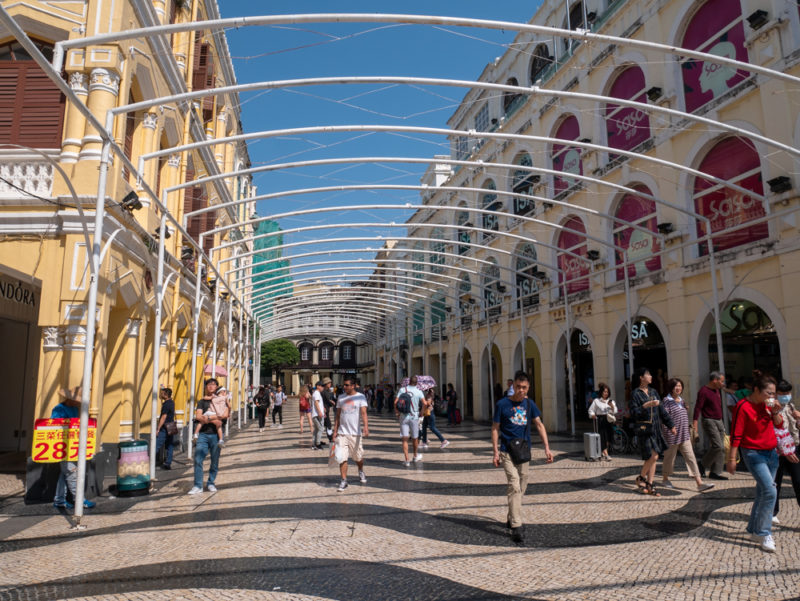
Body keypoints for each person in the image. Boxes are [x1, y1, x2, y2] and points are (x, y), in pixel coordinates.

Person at [492, 371, 553, 543]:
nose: (521, 390)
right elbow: (495, 428)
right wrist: (495, 451)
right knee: (514, 484)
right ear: (513, 386)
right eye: (518, 387)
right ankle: (517, 526)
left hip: (524, 451)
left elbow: (539, 425)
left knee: (522, 485)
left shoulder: (529, 404)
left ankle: (512, 514)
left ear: (528, 388)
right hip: (506, 450)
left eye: (524, 388)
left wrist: (547, 448)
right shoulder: (502, 404)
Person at [727, 371, 786, 552]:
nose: (771, 396)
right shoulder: (743, 406)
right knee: (770, 491)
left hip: (771, 453)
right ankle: (764, 532)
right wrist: (732, 458)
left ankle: (753, 530)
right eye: (768, 392)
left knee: (762, 493)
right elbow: (736, 433)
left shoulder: (768, 406)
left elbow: (779, 425)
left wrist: (776, 412)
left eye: (773, 393)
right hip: (753, 453)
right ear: (756, 390)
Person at [660, 378, 714, 493]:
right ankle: (665, 479)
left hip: (684, 435)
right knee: (669, 459)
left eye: (680, 386)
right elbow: (664, 418)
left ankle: (699, 483)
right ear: (671, 388)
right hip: (672, 435)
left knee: (691, 458)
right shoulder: (666, 401)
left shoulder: (682, 400)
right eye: (676, 386)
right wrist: (668, 432)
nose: (678, 388)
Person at [630, 367, 675, 497]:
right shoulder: (635, 393)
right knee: (653, 456)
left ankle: (649, 484)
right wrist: (645, 406)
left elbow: (661, 410)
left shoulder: (653, 391)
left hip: (656, 429)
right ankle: (641, 478)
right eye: (648, 374)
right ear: (641, 377)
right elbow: (633, 413)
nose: (650, 376)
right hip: (644, 430)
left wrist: (671, 424)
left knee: (654, 458)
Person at [51, 385, 96, 510]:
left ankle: (59, 499)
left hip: (73, 446)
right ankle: (79, 500)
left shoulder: (75, 409)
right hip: (62, 445)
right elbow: (54, 426)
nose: (77, 403)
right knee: (71, 472)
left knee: (65, 473)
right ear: (70, 399)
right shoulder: (59, 409)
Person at [188, 378, 227, 495]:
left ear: (217, 387)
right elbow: (199, 416)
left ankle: (211, 483)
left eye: (213, 385)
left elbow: (224, 415)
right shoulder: (202, 402)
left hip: (216, 434)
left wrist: (209, 419)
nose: (211, 386)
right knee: (198, 459)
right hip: (203, 434)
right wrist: (213, 420)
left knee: (214, 461)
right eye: (209, 384)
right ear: (206, 387)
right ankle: (198, 485)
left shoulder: (221, 400)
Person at [333, 377, 370, 491]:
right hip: (342, 433)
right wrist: (335, 431)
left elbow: (363, 413)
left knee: (358, 457)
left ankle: (360, 470)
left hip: (355, 433)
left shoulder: (360, 397)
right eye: (344, 385)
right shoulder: (341, 397)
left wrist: (366, 427)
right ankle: (344, 480)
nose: (344, 387)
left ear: (353, 386)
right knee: (342, 457)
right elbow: (338, 415)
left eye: (347, 385)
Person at [773, 379, 800, 522]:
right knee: (775, 481)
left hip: (794, 447)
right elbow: (776, 428)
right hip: (778, 451)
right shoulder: (771, 407)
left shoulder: (790, 406)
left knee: (798, 480)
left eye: (788, 392)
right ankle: (772, 512)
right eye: (782, 393)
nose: (786, 395)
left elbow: (795, 428)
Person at [693, 371, 728, 480]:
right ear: (714, 380)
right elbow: (698, 407)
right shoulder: (703, 391)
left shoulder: (717, 389)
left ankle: (715, 472)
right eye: (721, 381)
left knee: (722, 448)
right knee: (718, 446)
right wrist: (695, 424)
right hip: (709, 420)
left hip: (719, 420)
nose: (723, 383)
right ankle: (702, 464)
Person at [395, 375, 425, 466]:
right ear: (416, 383)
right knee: (415, 438)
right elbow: (425, 403)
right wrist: (422, 412)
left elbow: (395, 402)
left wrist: (397, 413)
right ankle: (415, 456)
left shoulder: (402, 390)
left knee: (404, 439)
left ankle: (407, 460)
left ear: (409, 382)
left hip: (403, 416)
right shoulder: (419, 391)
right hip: (414, 416)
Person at [587, 383, 617, 461]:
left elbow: (615, 411)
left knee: (608, 437)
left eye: (607, 392)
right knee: (602, 437)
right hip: (601, 420)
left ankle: (604, 451)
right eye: (604, 392)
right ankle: (606, 454)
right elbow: (591, 410)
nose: (605, 393)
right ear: (601, 392)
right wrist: (593, 415)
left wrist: (612, 406)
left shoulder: (611, 401)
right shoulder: (596, 401)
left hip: (609, 420)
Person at [154, 386, 176, 470]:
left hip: (165, 427)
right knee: (169, 445)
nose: (161, 395)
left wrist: (158, 428)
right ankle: (168, 463)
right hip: (171, 426)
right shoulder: (172, 402)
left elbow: (163, 417)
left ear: (166, 395)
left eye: (162, 393)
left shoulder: (166, 404)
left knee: (157, 445)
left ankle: (150, 462)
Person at [311, 381, 326, 450]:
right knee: (320, 428)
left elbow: (319, 403)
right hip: (317, 415)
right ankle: (318, 443)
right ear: (318, 386)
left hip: (316, 414)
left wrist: (323, 411)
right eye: (322, 386)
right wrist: (320, 412)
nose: (323, 387)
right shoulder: (316, 393)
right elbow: (316, 403)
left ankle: (314, 444)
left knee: (316, 429)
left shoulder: (317, 393)